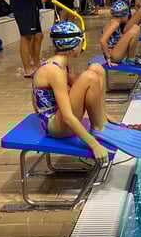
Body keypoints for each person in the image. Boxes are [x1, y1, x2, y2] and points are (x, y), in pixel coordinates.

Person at [31, 21, 109, 163]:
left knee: (96, 68)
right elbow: (67, 116)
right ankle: (98, 129)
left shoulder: (62, 63)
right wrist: (93, 145)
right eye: (81, 42)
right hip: (55, 127)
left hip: (58, 116)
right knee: (89, 77)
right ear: (74, 46)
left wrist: (101, 111)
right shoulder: (54, 71)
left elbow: (76, 84)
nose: (83, 45)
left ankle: (101, 120)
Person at [100, 1, 141, 67]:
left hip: (114, 52)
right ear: (123, 16)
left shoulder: (114, 22)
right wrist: (108, 57)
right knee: (135, 29)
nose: (128, 16)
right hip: (113, 56)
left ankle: (131, 59)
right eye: (127, 14)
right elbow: (102, 41)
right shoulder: (115, 24)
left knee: (133, 29)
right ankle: (131, 60)